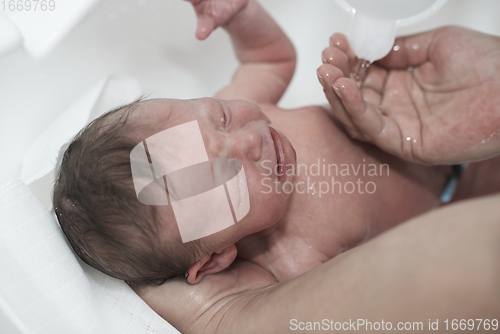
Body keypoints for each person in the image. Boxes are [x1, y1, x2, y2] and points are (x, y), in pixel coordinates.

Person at [53, 0, 500, 331]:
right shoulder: (290, 265)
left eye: (222, 116)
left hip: (452, 134)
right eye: (228, 178)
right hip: (461, 208)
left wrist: (242, 16)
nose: (251, 137)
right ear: (213, 261)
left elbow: (268, 58)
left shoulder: (246, 115)